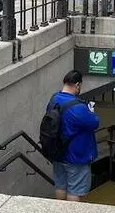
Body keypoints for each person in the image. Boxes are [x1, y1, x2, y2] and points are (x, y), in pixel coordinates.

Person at [48, 70, 99, 202]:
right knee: (75, 191)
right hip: (76, 156)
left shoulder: (54, 99)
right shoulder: (78, 107)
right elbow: (94, 123)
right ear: (77, 85)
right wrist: (90, 111)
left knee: (60, 186)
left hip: (58, 153)